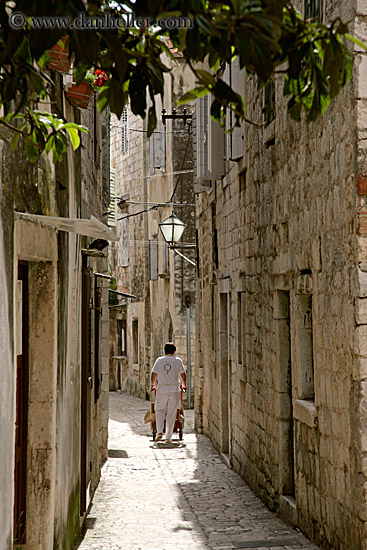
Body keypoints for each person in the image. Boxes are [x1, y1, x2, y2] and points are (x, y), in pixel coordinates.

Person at [151, 342, 187, 443]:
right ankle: (168, 437)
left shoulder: (159, 360)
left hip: (162, 388)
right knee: (172, 413)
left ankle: (159, 432)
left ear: (164, 351)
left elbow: (154, 373)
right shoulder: (177, 361)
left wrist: (153, 384)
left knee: (159, 410)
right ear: (174, 351)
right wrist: (184, 385)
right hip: (174, 389)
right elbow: (183, 374)